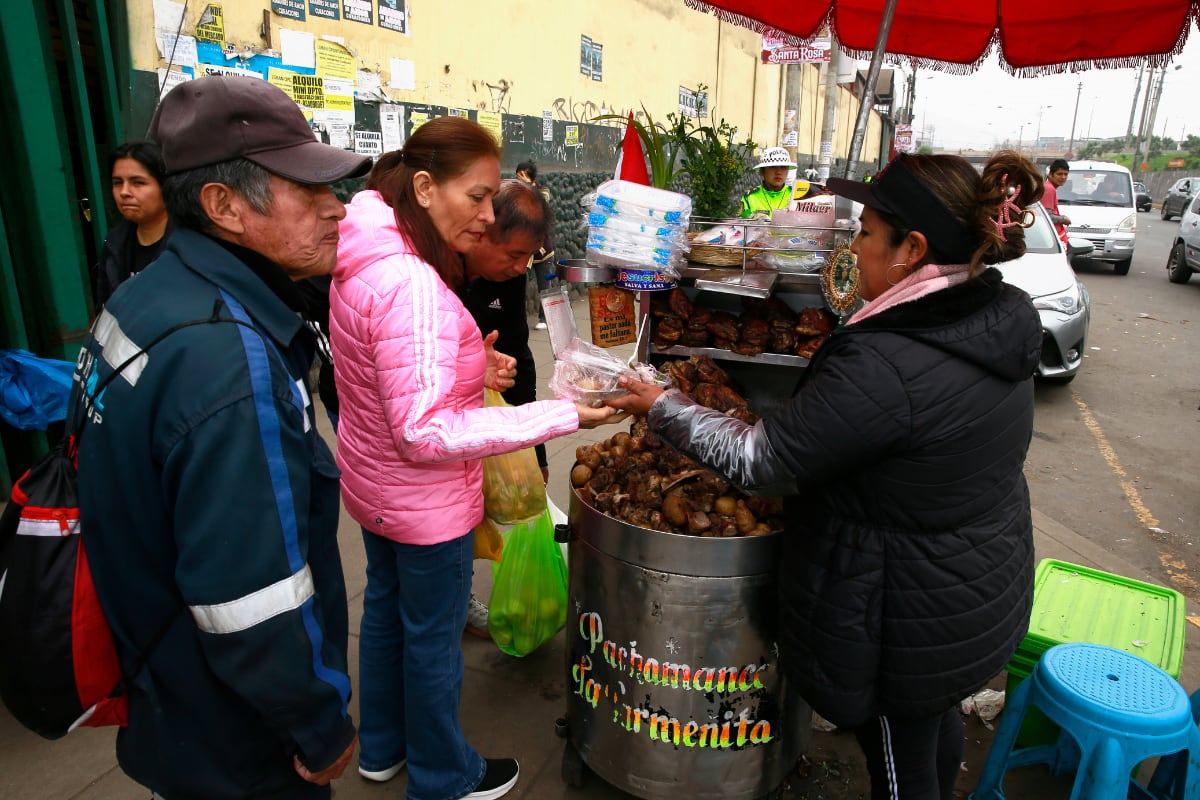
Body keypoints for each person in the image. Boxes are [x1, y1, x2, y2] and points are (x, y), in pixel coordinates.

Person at [607, 150, 1044, 800]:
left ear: (912, 248)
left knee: (898, 759)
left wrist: (661, 406)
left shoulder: (889, 360)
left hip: (907, 614)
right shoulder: (993, 314)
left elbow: (761, 463)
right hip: (973, 583)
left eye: (866, 233)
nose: (854, 247)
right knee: (931, 727)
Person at [70, 75, 369, 799]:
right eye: (309, 190)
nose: (338, 211)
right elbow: (254, 601)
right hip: (240, 732)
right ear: (223, 205)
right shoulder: (229, 360)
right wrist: (320, 726)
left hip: (167, 690)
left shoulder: (148, 292)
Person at [328, 116, 625, 800]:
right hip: (422, 502)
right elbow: (424, 433)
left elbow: (386, 373)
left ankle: (381, 749)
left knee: (383, 616)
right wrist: (562, 414)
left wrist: (469, 366)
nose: (488, 215)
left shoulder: (367, 251)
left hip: (375, 488)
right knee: (431, 641)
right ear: (426, 187)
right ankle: (442, 776)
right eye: (479, 196)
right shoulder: (413, 283)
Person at [460, 178, 555, 638]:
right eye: (514, 256)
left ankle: (486, 597)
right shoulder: (439, 278)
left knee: (501, 516)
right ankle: (455, 600)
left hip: (496, 406)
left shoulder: (508, 277)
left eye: (528, 258)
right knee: (457, 521)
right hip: (449, 429)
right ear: (481, 232)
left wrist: (534, 449)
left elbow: (518, 352)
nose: (521, 270)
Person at [92, 140, 174, 307]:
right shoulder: (114, 245)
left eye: (138, 183)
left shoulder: (191, 243)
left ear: (164, 187)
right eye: (117, 183)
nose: (124, 192)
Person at [513, 159, 555, 330]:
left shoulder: (542, 191)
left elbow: (540, 205)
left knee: (545, 287)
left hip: (542, 251)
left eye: (522, 176)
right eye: (517, 176)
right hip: (523, 251)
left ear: (531, 178)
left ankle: (545, 319)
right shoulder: (514, 193)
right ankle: (517, 320)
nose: (518, 179)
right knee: (516, 287)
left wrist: (528, 186)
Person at [740, 146, 796, 218]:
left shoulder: (795, 196)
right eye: (773, 167)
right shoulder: (749, 197)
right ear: (762, 171)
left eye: (783, 167)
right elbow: (740, 225)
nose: (778, 172)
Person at [1044, 158, 1071, 243]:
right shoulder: (1049, 189)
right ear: (1051, 175)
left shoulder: (1050, 188)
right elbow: (1047, 217)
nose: (1063, 177)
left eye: (1065, 174)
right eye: (1059, 174)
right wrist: (1064, 219)